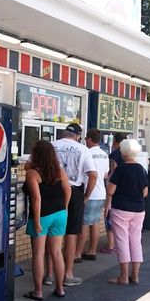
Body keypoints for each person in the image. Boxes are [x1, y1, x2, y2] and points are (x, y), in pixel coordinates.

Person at [23, 140, 71, 300]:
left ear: (35, 154)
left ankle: (37, 291)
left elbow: (36, 199)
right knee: (57, 252)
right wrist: (63, 208)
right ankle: (60, 289)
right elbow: (68, 190)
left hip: (42, 216)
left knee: (38, 254)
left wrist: (36, 221)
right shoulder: (60, 172)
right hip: (60, 214)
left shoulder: (33, 174)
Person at [50, 122, 97, 286]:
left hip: (52, 191)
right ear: (77, 135)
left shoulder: (51, 146)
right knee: (71, 233)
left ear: (64, 133)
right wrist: (86, 196)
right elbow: (92, 175)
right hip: (74, 192)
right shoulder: (83, 149)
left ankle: (49, 275)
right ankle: (68, 274)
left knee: (51, 232)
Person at [104, 139, 148, 285]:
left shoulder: (120, 169)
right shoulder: (141, 169)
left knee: (122, 241)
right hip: (138, 210)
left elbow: (111, 190)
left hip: (121, 209)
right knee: (135, 241)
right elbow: (145, 192)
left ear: (123, 152)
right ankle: (135, 275)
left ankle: (123, 277)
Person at [75, 129, 110, 261]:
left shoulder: (86, 153)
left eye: (85, 139)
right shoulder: (104, 154)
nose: (84, 141)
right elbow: (105, 175)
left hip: (89, 193)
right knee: (95, 223)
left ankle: (77, 253)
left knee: (83, 224)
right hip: (101, 193)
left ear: (89, 139)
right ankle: (92, 251)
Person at [100, 132, 128, 255]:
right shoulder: (129, 155)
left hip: (114, 188)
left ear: (115, 142)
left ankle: (111, 245)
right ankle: (120, 244)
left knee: (109, 216)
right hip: (126, 191)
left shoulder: (114, 155)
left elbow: (112, 171)